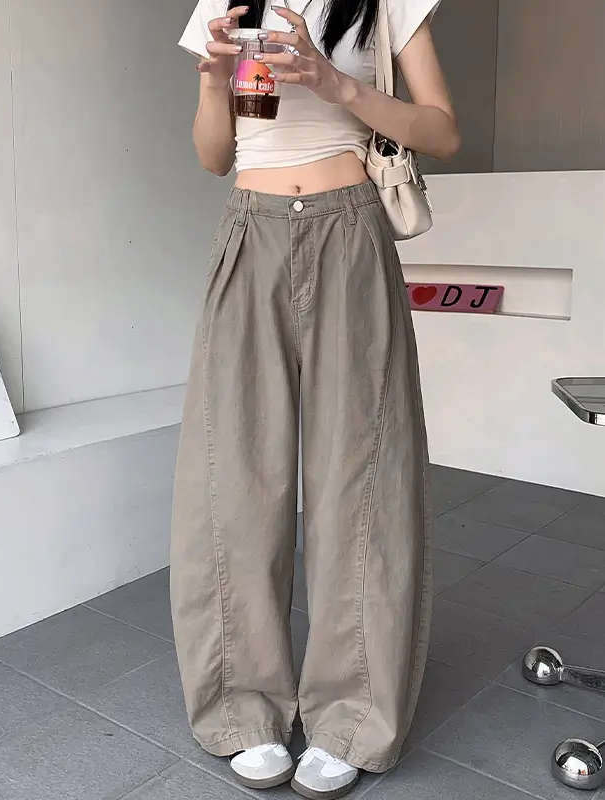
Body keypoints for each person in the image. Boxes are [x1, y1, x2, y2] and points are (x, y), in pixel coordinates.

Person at [171, 1, 459, 797]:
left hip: (350, 227)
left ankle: (351, 715)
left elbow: (442, 131)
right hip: (251, 230)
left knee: (361, 476)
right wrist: (213, 80)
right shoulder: (226, 6)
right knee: (233, 476)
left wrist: (335, 84)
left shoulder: (389, 3)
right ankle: (242, 707)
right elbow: (213, 156)